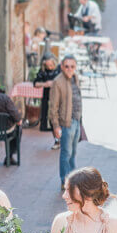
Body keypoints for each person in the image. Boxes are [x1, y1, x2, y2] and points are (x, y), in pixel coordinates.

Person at [49, 55, 83, 192]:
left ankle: (73, 180)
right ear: (62, 67)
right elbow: (53, 107)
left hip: (76, 121)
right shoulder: (58, 82)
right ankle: (65, 180)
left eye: (72, 66)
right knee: (66, 153)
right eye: (67, 66)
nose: (70, 69)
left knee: (73, 153)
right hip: (66, 123)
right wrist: (56, 126)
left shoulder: (75, 78)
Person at [33, 53, 60, 148]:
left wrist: (55, 83)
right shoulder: (43, 71)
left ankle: (61, 139)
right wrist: (45, 84)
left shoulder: (59, 69)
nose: (50, 67)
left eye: (51, 65)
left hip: (59, 98)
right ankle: (57, 140)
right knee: (52, 119)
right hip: (47, 98)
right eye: (47, 65)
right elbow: (35, 83)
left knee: (60, 119)